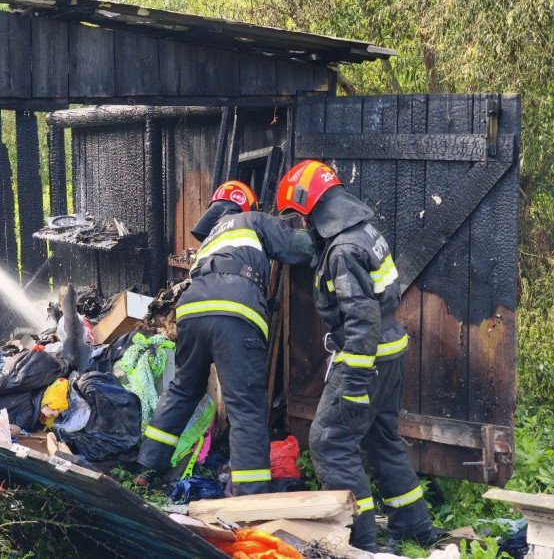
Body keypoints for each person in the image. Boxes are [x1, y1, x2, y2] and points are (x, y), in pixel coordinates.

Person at [276, 159, 445, 551]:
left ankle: (359, 540)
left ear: (314, 208)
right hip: (389, 352)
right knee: (381, 440)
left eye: (301, 217)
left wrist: (352, 383)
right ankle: (413, 528)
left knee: (329, 441)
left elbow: (360, 318)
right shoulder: (362, 231)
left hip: (364, 358)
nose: (302, 225)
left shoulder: (344, 251)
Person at [136, 180, 314, 495]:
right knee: (245, 405)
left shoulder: (211, 239)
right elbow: (296, 248)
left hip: (190, 311)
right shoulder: (254, 220)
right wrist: (324, 235)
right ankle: (250, 496)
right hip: (235, 310)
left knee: (183, 390)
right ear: (247, 205)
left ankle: (147, 469)